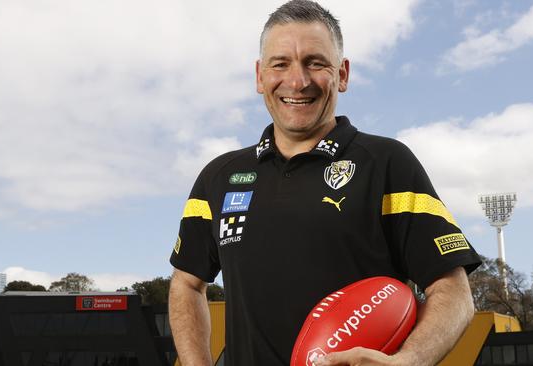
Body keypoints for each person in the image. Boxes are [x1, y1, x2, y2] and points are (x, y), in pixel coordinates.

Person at [168, 1, 482, 365]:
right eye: (280, 63)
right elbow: (187, 283)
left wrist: (408, 361)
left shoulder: (387, 163)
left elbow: (453, 290)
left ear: (342, 74)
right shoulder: (218, 177)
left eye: (315, 63)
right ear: (259, 76)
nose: (298, 82)